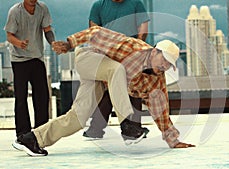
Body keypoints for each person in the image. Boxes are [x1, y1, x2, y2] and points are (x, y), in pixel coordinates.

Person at [15, 26, 195, 156]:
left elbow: (160, 110)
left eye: (169, 65)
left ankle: (31, 139)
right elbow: (96, 33)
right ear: (154, 51)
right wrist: (70, 43)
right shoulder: (133, 48)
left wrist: (173, 140)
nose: (164, 66)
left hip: (101, 78)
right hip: (89, 58)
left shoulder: (157, 81)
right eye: (163, 60)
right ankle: (128, 126)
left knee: (77, 119)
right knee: (117, 69)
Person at [83, 0, 150, 139]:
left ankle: (133, 127)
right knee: (109, 90)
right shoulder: (99, 5)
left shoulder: (136, 3)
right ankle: (97, 129)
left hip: (131, 52)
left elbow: (143, 27)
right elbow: (93, 31)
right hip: (109, 53)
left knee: (134, 89)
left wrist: (138, 46)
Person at [4, 0, 55, 150]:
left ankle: (40, 134)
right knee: (21, 97)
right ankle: (22, 135)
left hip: (37, 57)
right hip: (19, 60)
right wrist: (19, 43)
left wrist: (52, 43)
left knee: (42, 96)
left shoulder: (42, 8)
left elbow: (47, 30)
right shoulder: (15, 11)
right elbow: (9, 36)